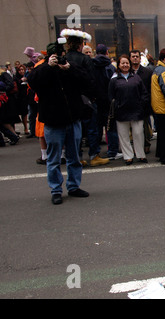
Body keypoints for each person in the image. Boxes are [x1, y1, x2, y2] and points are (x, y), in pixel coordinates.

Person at [27, 41, 92, 205]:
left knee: (74, 157)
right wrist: (49, 67)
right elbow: (33, 83)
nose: (59, 58)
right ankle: (56, 190)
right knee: (54, 159)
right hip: (53, 121)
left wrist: (69, 68)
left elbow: (86, 81)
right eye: (55, 55)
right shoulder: (42, 68)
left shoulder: (69, 66)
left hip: (73, 119)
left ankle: (73, 186)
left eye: (60, 55)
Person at [65, 32, 110, 167]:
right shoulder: (85, 60)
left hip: (70, 100)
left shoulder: (64, 58)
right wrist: (93, 96)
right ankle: (94, 155)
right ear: (80, 45)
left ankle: (77, 157)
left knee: (75, 130)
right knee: (92, 128)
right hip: (86, 100)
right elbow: (91, 80)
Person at [108, 55, 150, 165]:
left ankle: (141, 155)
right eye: (123, 63)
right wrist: (117, 105)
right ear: (119, 65)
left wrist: (141, 105)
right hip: (121, 112)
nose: (125, 65)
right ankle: (128, 156)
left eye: (127, 63)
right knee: (123, 135)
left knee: (138, 133)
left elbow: (144, 93)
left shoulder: (136, 77)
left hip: (137, 111)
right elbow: (111, 96)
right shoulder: (114, 79)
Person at [91, 44, 121, 160]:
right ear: (107, 53)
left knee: (97, 128)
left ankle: (95, 152)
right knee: (111, 127)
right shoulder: (110, 67)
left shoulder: (92, 65)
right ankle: (112, 151)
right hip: (109, 101)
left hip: (96, 101)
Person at [130, 50, 153, 155]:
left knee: (145, 126)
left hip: (144, 104)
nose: (135, 58)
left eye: (137, 56)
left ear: (140, 58)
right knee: (133, 128)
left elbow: (150, 88)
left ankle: (146, 144)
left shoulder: (147, 72)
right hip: (131, 104)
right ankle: (135, 147)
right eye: (133, 56)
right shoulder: (127, 71)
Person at [14, 64, 30, 135]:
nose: (21, 71)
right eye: (20, 70)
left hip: (25, 97)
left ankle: (26, 128)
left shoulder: (27, 76)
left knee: (24, 113)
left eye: (22, 69)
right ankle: (14, 129)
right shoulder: (16, 78)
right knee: (16, 113)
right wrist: (20, 81)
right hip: (18, 98)